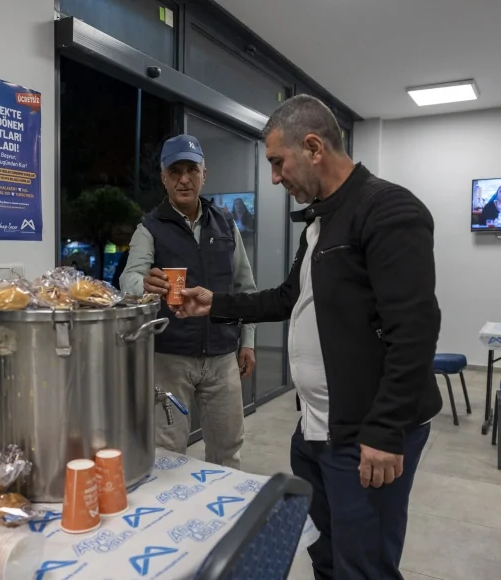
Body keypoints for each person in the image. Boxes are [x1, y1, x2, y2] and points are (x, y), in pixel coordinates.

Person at [171, 95, 442, 579]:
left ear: (314, 148)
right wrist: (215, 303)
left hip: (364, 433)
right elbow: (287, 298)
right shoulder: (320, 221)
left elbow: (415, 332)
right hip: (317, 428)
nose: (275, 178)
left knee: (364, 567)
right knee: (326, 554)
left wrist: (384, 431)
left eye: (278, 162)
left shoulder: (388, 209)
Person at [120, 134, 257, 469]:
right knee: (166, 452)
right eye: (175, 171)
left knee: (228, 449)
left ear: (203, 175)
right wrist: (144, 284)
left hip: (223, 355)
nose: (184, 179)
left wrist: (248, 341)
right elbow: (129, 279)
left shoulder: (226, 224)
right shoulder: (149, 227)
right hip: (169, 358)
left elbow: (245, 287)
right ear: (164, 178)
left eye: (191, 170)